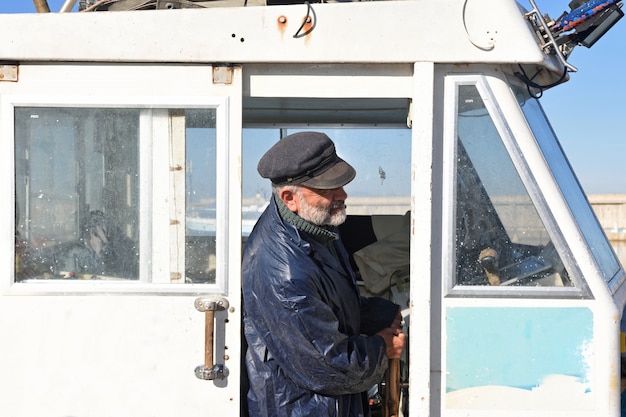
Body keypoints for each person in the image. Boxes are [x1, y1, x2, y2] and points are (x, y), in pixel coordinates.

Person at [242, 131, 406, 417]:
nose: (342, 195)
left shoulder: (317, 229)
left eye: (340, 184)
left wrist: (384, 314)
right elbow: (328, 366)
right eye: (328, 189)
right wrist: (383, 347)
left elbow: (334, 304)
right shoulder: (284, 271)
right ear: (289, 197)